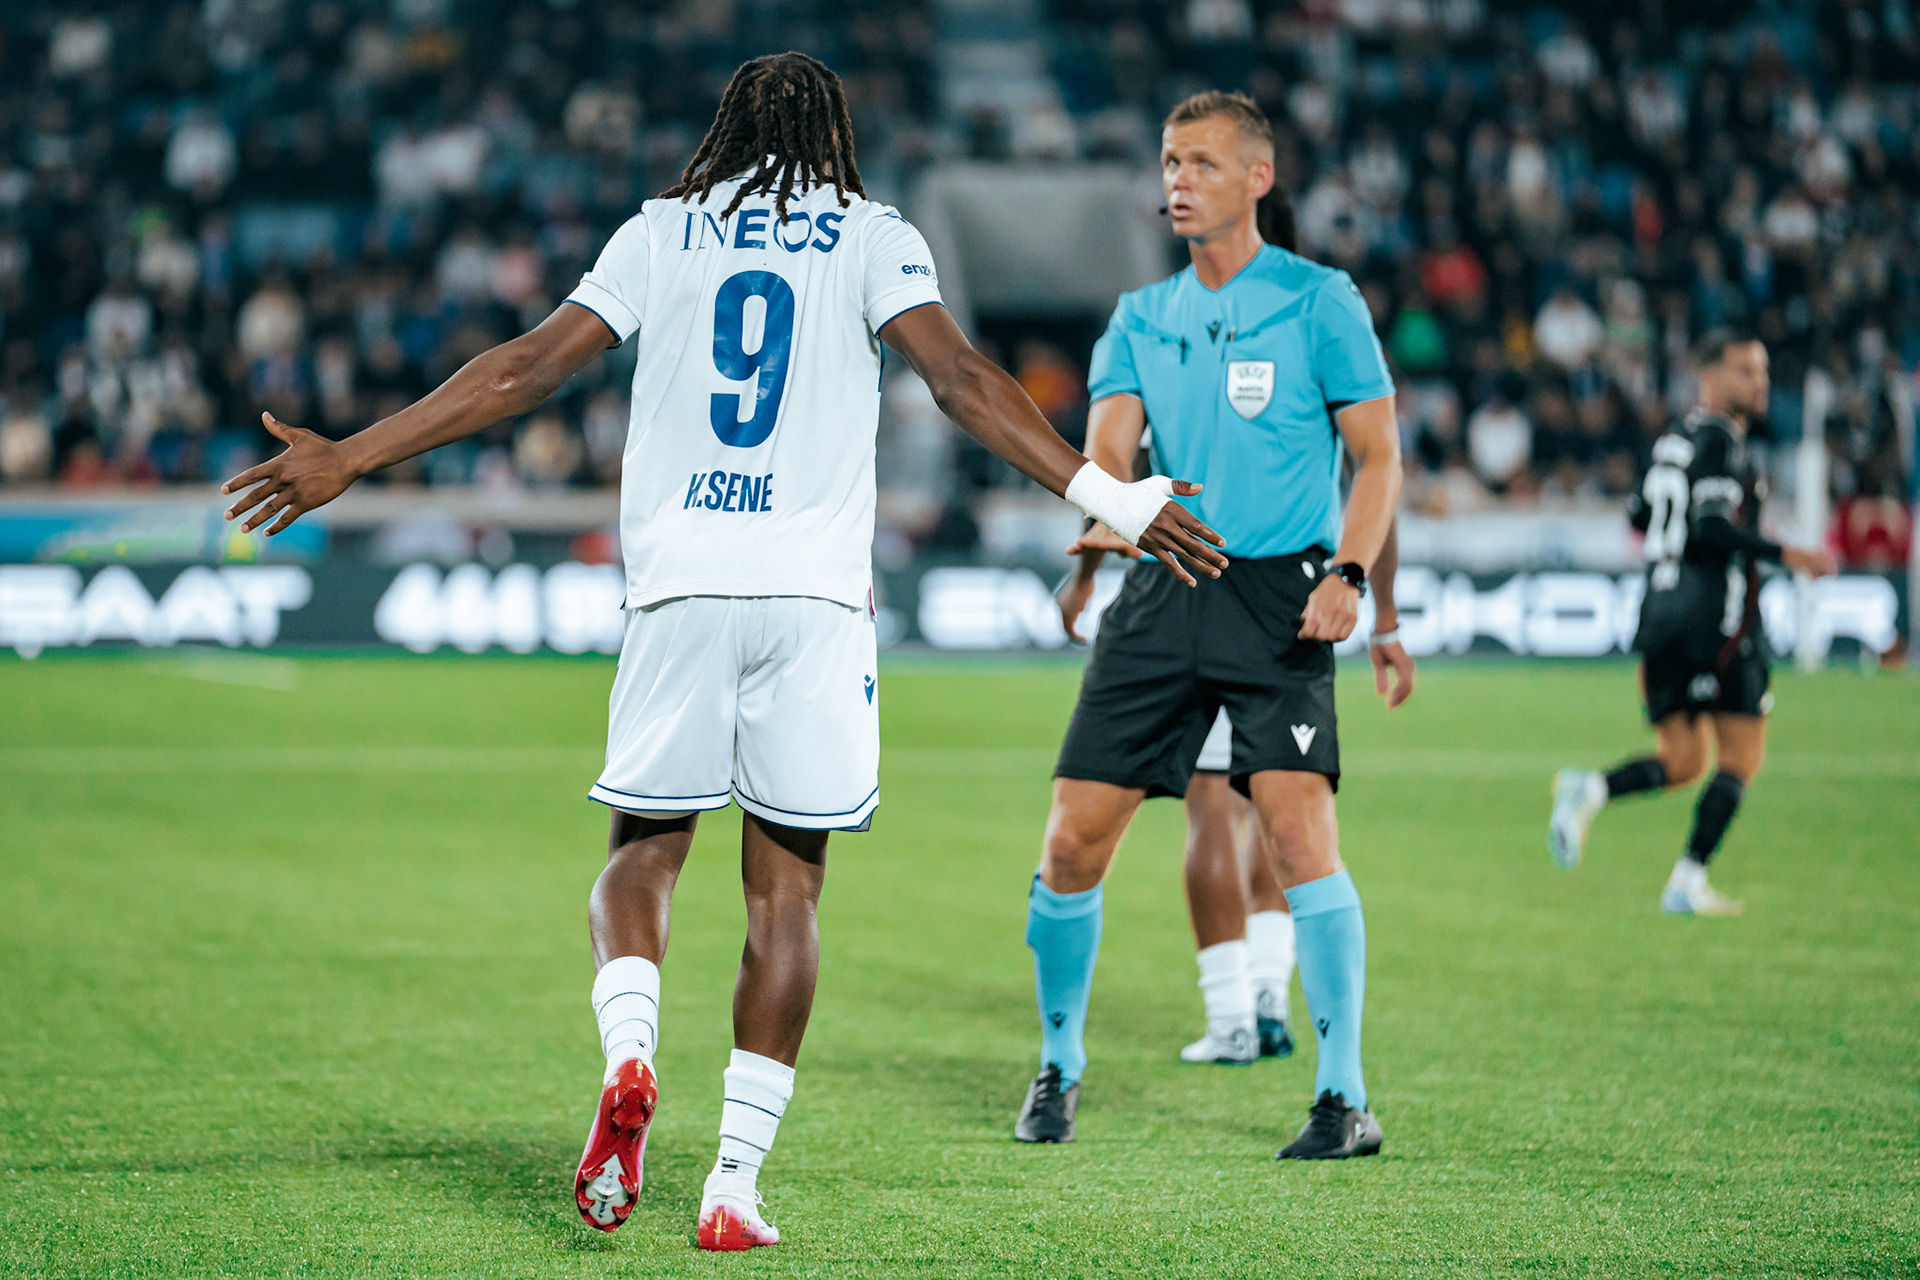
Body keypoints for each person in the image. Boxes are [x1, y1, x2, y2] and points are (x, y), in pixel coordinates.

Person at [219, 52, 1224, 1251]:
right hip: (811, 600)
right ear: (834, 139)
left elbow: (526, 367)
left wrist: (356, 453)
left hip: (682, 583)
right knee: (785, 891)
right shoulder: (875, 234)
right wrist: (1109, 498)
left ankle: (632, 1052)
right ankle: (734, 1184)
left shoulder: (661, 231)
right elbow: (960, 379)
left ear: (727, 133)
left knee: (642, 853)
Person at [1013, 91, 1401, 1159]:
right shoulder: (1141, 314)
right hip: (1162, 585)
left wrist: (1356, 578)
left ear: (1257, 179)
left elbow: (1379, 457)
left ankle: (1342, 1095)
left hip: (1283, 593)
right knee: (1070, 840)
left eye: (1200, 163)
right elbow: (1106, 444)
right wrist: (1099, 530)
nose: (1177, 179)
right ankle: (1059, 1065)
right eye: (1171, 161)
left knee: (1297, 836)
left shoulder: (1322, 302)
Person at [1548, 331, 1836, 914]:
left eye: (1762, 370)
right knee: (1741, 757)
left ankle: (1592, 789)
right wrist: (1790, 554)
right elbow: (1708, 528)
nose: (1760, 382)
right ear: (1710, 378)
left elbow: (1639, 513)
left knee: (1684, 761)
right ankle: (1687, 879)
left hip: (1657, 614)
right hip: (1718, 618)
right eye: (1745, 371)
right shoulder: (1720, 441)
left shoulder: (1671, 442)